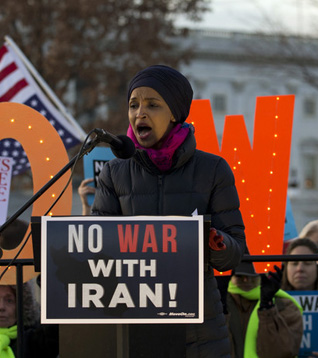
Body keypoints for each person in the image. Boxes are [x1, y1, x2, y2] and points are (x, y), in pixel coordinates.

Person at [92, 64, 247, 357]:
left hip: (199, 331)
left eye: (153, 105)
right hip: (133, 322)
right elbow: (98, 247)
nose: (140, 113)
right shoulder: (113, 172)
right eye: (133, 105)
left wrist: (215, 242)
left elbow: (235, 250)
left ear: (175, 112)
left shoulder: (213, 169)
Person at [226, 261, 303, 358]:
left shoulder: (284, 305)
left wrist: (267, 307)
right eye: (239, 275)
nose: (246, 280)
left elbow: (281, 353)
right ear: (230, 275)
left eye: (253, 275)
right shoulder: (217, 302)